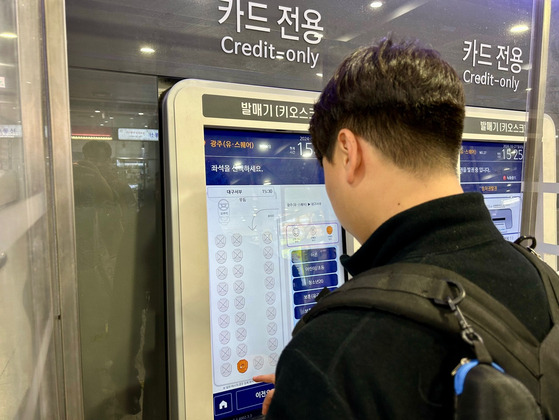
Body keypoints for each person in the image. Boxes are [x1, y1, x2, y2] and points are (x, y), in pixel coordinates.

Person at [253, 36, 552, 419]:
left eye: (322, 166)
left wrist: (311, 393)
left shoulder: (333, 352)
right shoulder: (545, 283)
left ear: (348, 152)